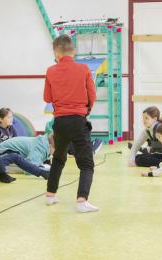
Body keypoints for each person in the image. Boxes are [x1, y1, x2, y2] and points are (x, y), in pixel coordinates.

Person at [43, 34, 98, 213]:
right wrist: (86, 110)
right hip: (78, 120)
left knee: (58, 158)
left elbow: (47, 98)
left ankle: (50, 195)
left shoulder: (50, 71)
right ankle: (82, 200)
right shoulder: (83, 69)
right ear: (73, 51)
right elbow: (92, 95)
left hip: (59, 121)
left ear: (56, 52)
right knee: (86, 163)